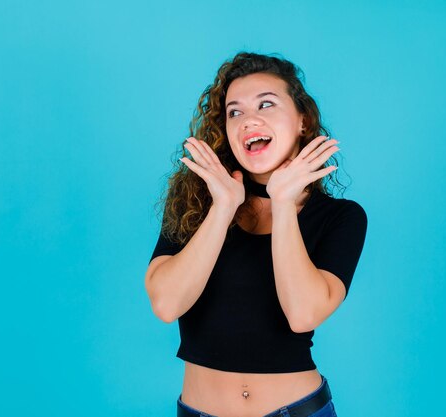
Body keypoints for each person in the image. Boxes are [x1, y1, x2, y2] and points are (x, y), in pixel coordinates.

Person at [145, 52, 368, 417]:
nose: (249, 120)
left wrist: (283, 203)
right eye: (235, 111)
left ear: (303, 121)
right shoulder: (195, 205)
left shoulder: (341, 218)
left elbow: (302, 314)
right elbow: (167, 304)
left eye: (266, 104)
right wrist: (222, 207)